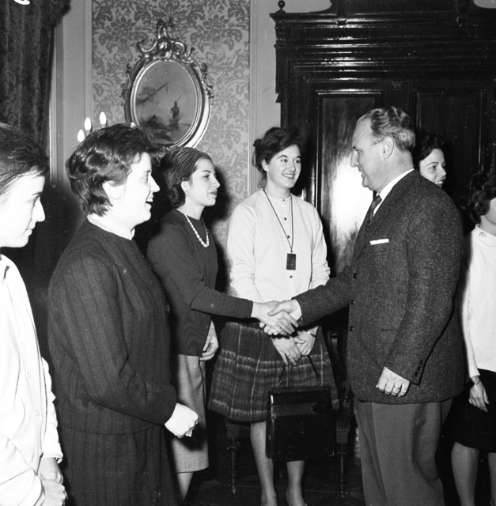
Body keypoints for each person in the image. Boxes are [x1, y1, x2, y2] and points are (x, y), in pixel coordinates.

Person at [272, 107, 465, 506]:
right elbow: (353, 281)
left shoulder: (427, 204)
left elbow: (432, 297)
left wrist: (402, 364)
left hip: (406, 382)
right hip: (377, 375)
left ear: (386, 147)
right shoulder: (385, 203)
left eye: (358, 149)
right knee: (381, 491)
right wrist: (297, 307)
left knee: (408, 492)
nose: (354, 159)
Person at [47, 124, 198, 506]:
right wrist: (168, 410)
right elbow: (107, 381)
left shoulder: (122, 245)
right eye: (145, 177)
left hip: (137, 432)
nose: (156, 188)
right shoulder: (88, 263)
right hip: (108, 453)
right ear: (112, 188)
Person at [146, 147, 297, 500]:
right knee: (183, 458)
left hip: (193, 349)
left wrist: (210, 327)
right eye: (206, 176)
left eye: (214, 175)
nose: (217, 183)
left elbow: (201, 293)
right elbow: (194, 295)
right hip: (173, 355)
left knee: (189, 457)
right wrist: (259, 309)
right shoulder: (170, 231)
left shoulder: (200, 229)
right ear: (183, 184)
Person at [209, 127, 336, 506]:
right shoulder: (248, 212)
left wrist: (309, 327)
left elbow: (322, 273)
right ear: (265, 163)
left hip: (304, 326)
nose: (292, 167)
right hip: (261, 329)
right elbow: (240, 278)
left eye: (297, 160)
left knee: (301, 413)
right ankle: (268, 494)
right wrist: (275, 332)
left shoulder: (309, 213)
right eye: (283, 159)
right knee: (262, 415)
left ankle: (295, 492)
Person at [0, 125, 66, 505]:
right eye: (32, 199)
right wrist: (37, 494)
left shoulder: (9, 273)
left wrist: (46, 453)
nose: (41, 215)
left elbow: (34, 371)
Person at [449, 171, 496, 506]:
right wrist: (472, 377)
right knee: (469, 440)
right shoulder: (467, 247)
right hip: (478, 367)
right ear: (482, 203)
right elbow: (462, 316)